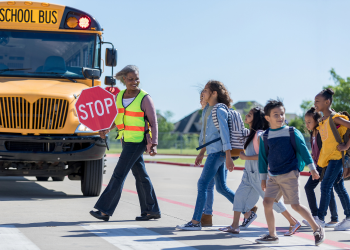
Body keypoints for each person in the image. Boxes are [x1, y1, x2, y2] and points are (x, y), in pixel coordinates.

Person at [89, 65, 161, 221]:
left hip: (138, 141)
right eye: (130, 79)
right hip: (126, 140)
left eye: (136, 79)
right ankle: (151, 210)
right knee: (141, 176)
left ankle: (104, 210)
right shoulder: (120, 96)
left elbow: (153, 123)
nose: (134, 82)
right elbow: (116, 118)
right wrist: (107, 129)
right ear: (124, 79)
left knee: (118, 175)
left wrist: (153, 144)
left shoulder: (145, 98)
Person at [219, 107, 300, 236]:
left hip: (258, 173)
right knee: (239, 197)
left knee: (271, 201)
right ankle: (235, 226)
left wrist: (246, 157)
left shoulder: (260, 135)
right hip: (248, 173)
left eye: (250, 115)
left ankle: (293, 221)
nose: (246, 116)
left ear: (256, 119)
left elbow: (265, 156)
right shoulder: (250, 133)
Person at [256, 99, 325, 246]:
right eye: (276, 114)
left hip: (289, 174)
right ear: (267, 118)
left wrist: (312, 169)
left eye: (282, 114)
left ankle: (317, 228)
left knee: (295, 205)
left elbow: (304, 150)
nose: (280, 117)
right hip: (273, 176)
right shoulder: (265, 136)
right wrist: (263, 178)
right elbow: (262, 159)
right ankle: (272, 234)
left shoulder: (291, 132)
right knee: (267, 202)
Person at [175, 80, 235, 230]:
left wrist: (228, 156)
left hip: (218, 152)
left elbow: (224, 134)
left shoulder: (219, 109)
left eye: (206, 90)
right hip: (213, 151)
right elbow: (206, 135)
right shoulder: (207, 109)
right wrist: (202, 152)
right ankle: (247, 211)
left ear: (214, 93)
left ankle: (195, 222)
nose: (203, 93)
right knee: (220, 187)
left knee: (202, 184)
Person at [314, 88, 350, 230]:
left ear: (327, 102)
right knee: (338, 187)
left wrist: (346, 145)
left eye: (317, 101)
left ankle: (320, 219)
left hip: (336, 158)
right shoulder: (323, 120)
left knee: (325, 186)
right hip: (330, 159)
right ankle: (349, 217)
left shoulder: (335, 118)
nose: (315, 103)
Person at [303, 107, 339, 228]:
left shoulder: (320, 132)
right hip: (318, 165)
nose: (307, 124)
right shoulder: (312, 133)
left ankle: (321, 217)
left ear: (316, 121)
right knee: (323, 189)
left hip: (324, 165)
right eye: (306, 122)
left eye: (309, 122)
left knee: (321, 188)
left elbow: (325, 149)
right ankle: (324, 217)